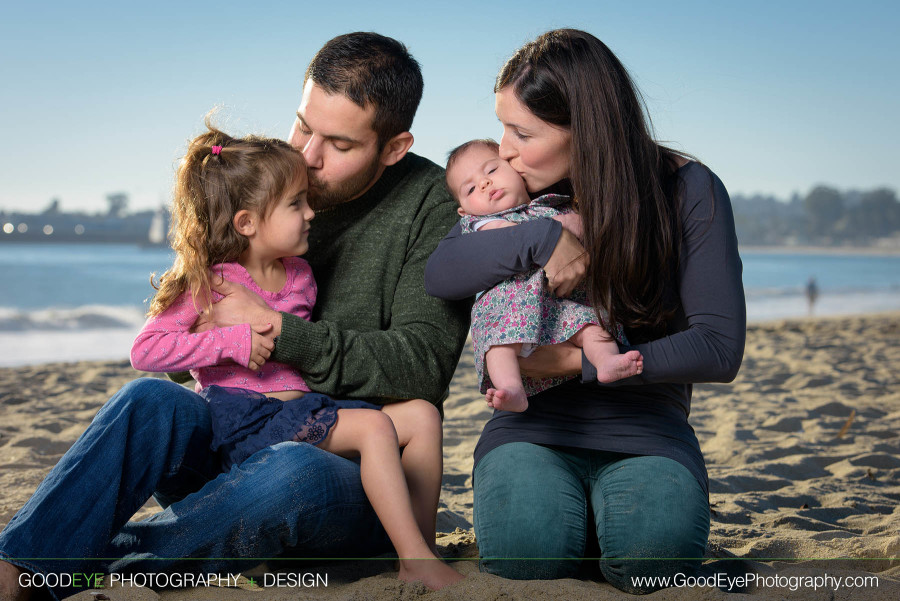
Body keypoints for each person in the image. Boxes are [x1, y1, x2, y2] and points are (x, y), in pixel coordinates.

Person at [0, 32, 471, 601]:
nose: (307, 155)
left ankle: (117, 568)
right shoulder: (275, 180)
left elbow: (423, 365)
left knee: (291, 470)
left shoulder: (430, 205)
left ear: (393, 148)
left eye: (339, 144)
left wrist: (276, 330)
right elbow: (184, 348)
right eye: (303, 125)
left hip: (351, 472)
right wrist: (218, 318)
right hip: (240, 438)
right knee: (147, 401)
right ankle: (21, 567)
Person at [425, 29, 745, 593]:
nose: (503, 150)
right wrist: (546, 240)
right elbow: (443, 273)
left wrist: (575, 363)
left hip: (648, 430)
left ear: (587, 129)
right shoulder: (520, 196)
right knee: (529, 562)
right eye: (502, 127)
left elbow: (718, 347)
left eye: (523, 132)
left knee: (652, 569)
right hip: (532, 429)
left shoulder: (688, 189)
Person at [129, 123, 462, 589]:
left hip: (301, 410)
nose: (310, 213)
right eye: (296, 204)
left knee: (423, 416)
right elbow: (146, 350)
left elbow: (303, 347)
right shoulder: (211, 283)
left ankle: (416, 552)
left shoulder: (300, 274)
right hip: (247, 420)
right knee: (372, 428)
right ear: (246, 223)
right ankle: (415, 559)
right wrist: (228, 342)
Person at [444, 138, 643, 412]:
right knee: (498, 348)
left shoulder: (552, 204)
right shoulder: (481, 225)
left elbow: (591, 232)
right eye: (470, 188)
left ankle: (606, 363)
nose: (484, 184)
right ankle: (512, 389)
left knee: (594, 329)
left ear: (516, 170)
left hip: (562, 305)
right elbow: (511, 236)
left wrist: (578, 222)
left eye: (491, 171)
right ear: (464, 211)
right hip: (508, 312)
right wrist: (559, 227)